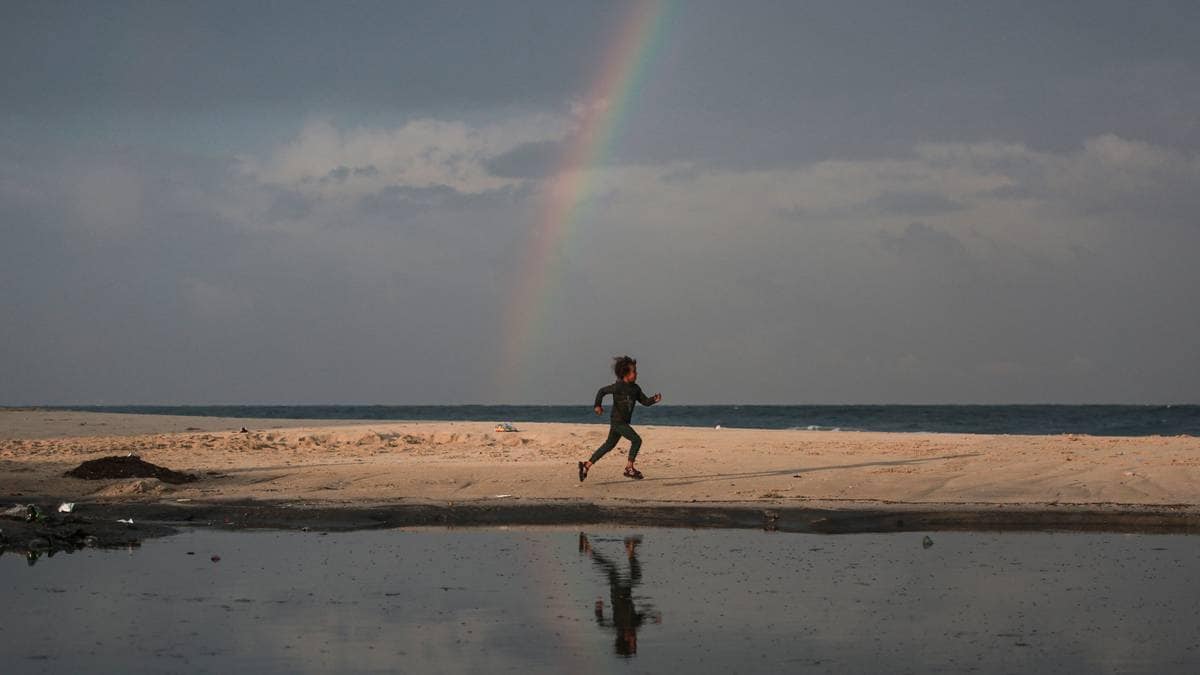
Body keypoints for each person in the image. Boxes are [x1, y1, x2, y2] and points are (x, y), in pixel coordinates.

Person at [578, 355, 661, 481]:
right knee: (637, 440)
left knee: (609, 445)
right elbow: (602, 391)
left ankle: (586, 465)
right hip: (618, 421)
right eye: (634, 371)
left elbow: (645, 402)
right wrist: (597, 406)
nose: (636, 374)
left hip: (621, 422)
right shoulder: (618, 386)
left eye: (636, 371)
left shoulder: (635, 388)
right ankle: (629, 468)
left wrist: (654, 399)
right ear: (625, 374)